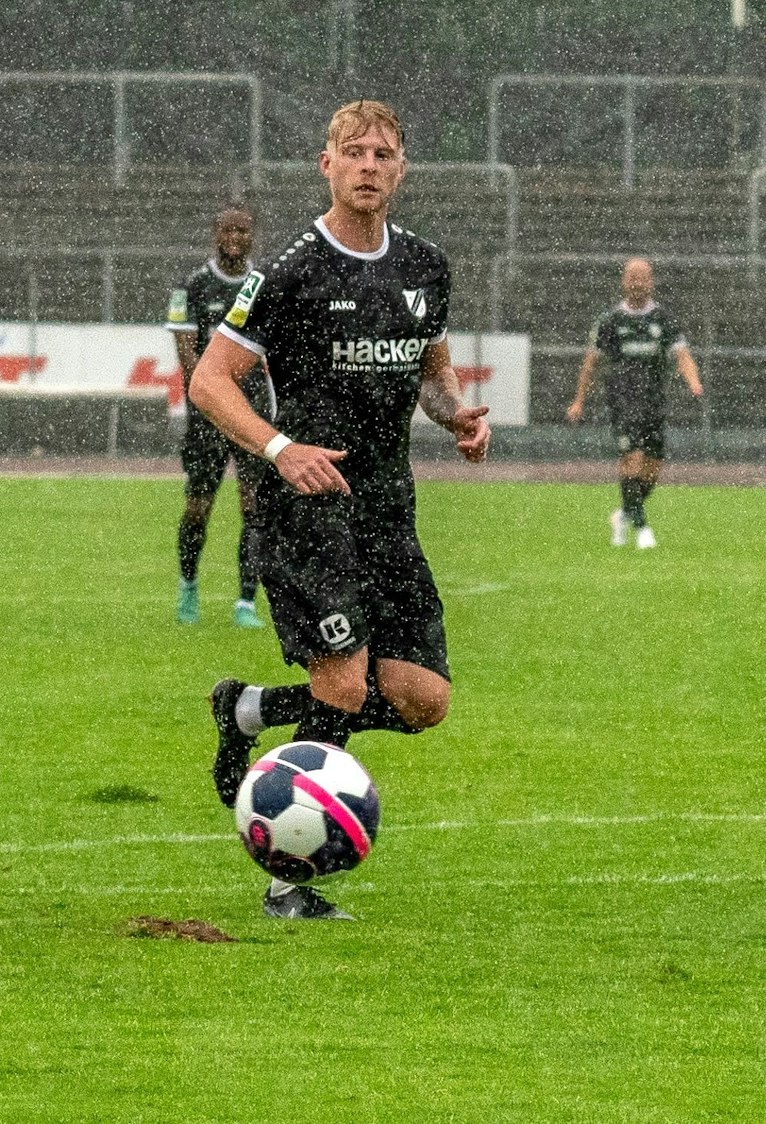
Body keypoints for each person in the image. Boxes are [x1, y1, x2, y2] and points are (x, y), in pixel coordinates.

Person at [187, 100, 490, 921]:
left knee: (425, 698)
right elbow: (209, 382)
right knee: (346, 685)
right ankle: (290, 881)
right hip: (307, 509)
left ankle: (247, 708)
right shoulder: (289, 271)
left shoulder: (426, 266)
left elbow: (430, 376)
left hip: (390, 510)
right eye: (352, 151)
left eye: (382, 153)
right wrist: (280, 449)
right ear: (326, 165)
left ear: (401, 169)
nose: (367, 164)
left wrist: (456, 415)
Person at [166, 204, 269, 628]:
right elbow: (187, 354)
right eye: (228, 229)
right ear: (215, 233)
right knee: (198, 507)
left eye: (243, 230)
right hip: (207, 415)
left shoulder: (263, 286)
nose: (236, 237)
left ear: (252, 236)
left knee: (254, 507)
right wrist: (214, 395)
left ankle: (245, 602)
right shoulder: (191, 286)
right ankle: (188, 586)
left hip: (253, 413)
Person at [565, 258, 704, 549]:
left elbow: (682, 355)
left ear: (651, 282)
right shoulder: (611, 320)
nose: (637, 282)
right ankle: (642, 529)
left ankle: (624, 514)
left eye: (642, 277)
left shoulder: (663, 319)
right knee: (631, 459)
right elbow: (591, 363)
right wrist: (579, 400)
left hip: (654, 401)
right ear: (623, 281)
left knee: (652, 471)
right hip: (623, 399)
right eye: (632, 277)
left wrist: (693, 381)